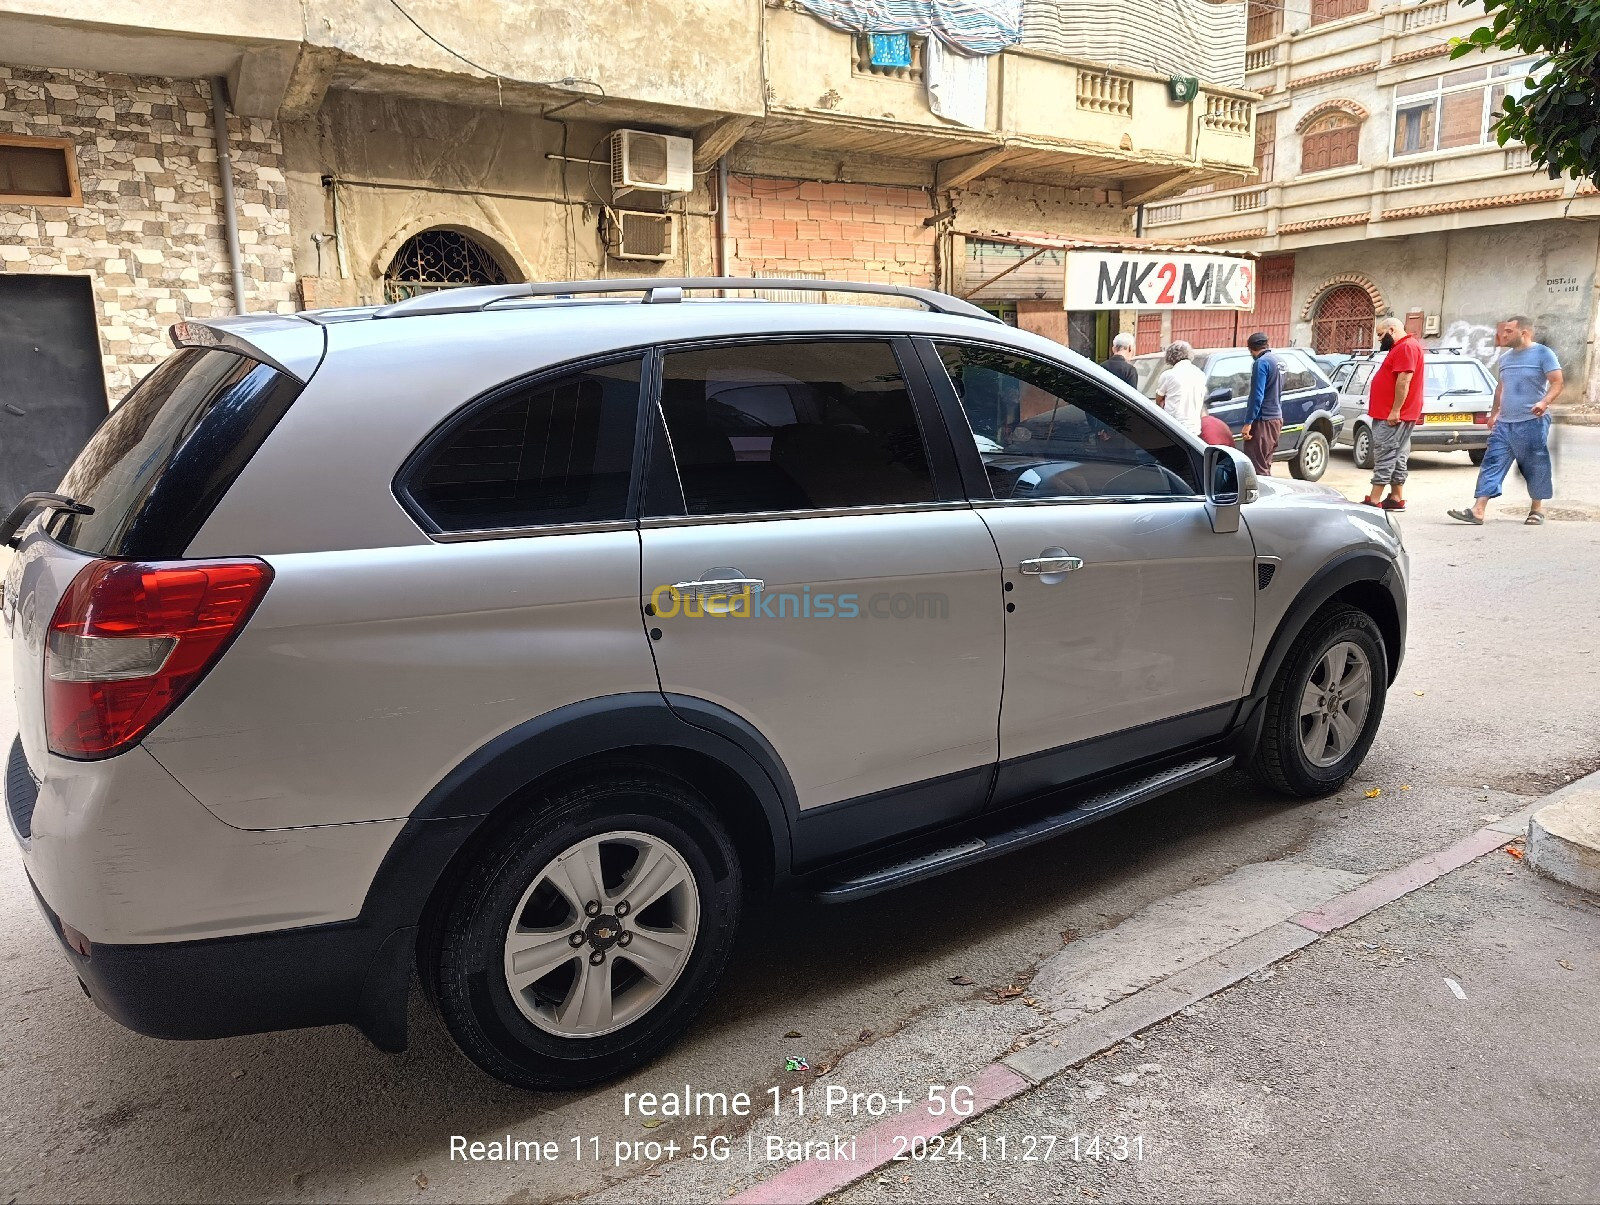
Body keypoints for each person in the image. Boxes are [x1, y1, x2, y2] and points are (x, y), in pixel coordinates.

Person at [1448, 315, 1562, 526]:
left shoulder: (1543, 354)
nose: (1504, 335)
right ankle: (1478, 510)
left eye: (1509, 331)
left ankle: (1537, 509)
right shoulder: (1506, 358)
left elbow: (1557, 382)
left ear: (1524, 333)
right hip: (1505, 424)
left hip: (1532, 421)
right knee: (1491, 463)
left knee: (1534, 465)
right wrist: (1494, 414)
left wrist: (1544, 402)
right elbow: (1501, 389)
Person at [1362, 315, 1424, 511]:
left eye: (1381, 334)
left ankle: (1374, 500)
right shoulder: (1403, 347)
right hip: (1394, 414)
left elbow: (1404, 380)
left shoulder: (1406, 347)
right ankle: (1396, 498)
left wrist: (1395, 410)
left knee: (1385, 453)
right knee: (1397, 455)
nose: (1379, 339)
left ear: (1392, 330)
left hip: (1394, 415)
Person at [1240, 331, 1283, 474]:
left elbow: (1257, 396)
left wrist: (1248, 422)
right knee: (1265, 465)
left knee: (1257, 469)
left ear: (1251, 349)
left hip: (1263, 421)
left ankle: (1263, 496)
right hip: (1276, 419)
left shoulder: (1261, 363)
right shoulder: (1278, 361)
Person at [1154, 340, 1206, 438]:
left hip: (1174, 426)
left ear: (1170, 356)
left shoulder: (1168, 375)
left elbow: (1158, 399)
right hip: (1194, 428)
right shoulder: (1200, 374)